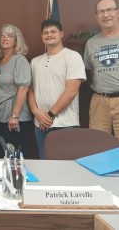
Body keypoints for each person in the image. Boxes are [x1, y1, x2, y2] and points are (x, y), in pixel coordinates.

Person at [28, 19, 86, 159]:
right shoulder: (35, 62)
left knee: (65, 168)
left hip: (65, 124)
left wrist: (50, 115)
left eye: (53, 31)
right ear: (42, 37)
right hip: (40, 124)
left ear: (61, 34)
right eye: (45, 33)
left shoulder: (72, 56)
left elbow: (72, 90)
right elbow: (30, 90)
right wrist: (36, 112)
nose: (49, 35)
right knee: (45, 164)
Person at [84, 0, 119, 140]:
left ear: (117, 12)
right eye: (101, 12)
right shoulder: (91, 43)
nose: (105, 15)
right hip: (99, 101)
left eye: (109, 10)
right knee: (99, 146)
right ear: (96, 17)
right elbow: (91, 70)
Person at [0, 24, 32, 152]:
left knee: (14, 159)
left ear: (16, 40)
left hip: (15, 119)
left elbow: (23, 88)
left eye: (10, 36)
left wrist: (15, 115)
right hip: (1, 116)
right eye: (3, 36)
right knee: (3, 154)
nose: (5, 38)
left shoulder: (19, 60)